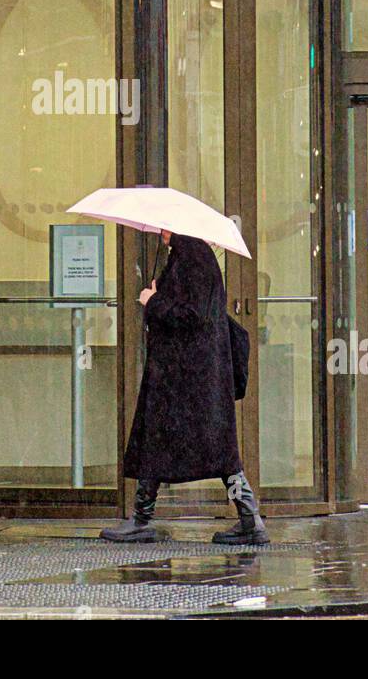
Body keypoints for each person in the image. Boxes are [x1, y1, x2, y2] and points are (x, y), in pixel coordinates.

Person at [100, 230, 269, 545]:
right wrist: (159, 294)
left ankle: (142, 519)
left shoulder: (192, 255)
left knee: (183, 444)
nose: (157, 231)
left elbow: (193, 314)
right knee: (203, 448)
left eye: (160, 226)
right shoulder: (187, 254)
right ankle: (249, 517)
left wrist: (153, 301)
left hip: (187, 376)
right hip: (188, 375)